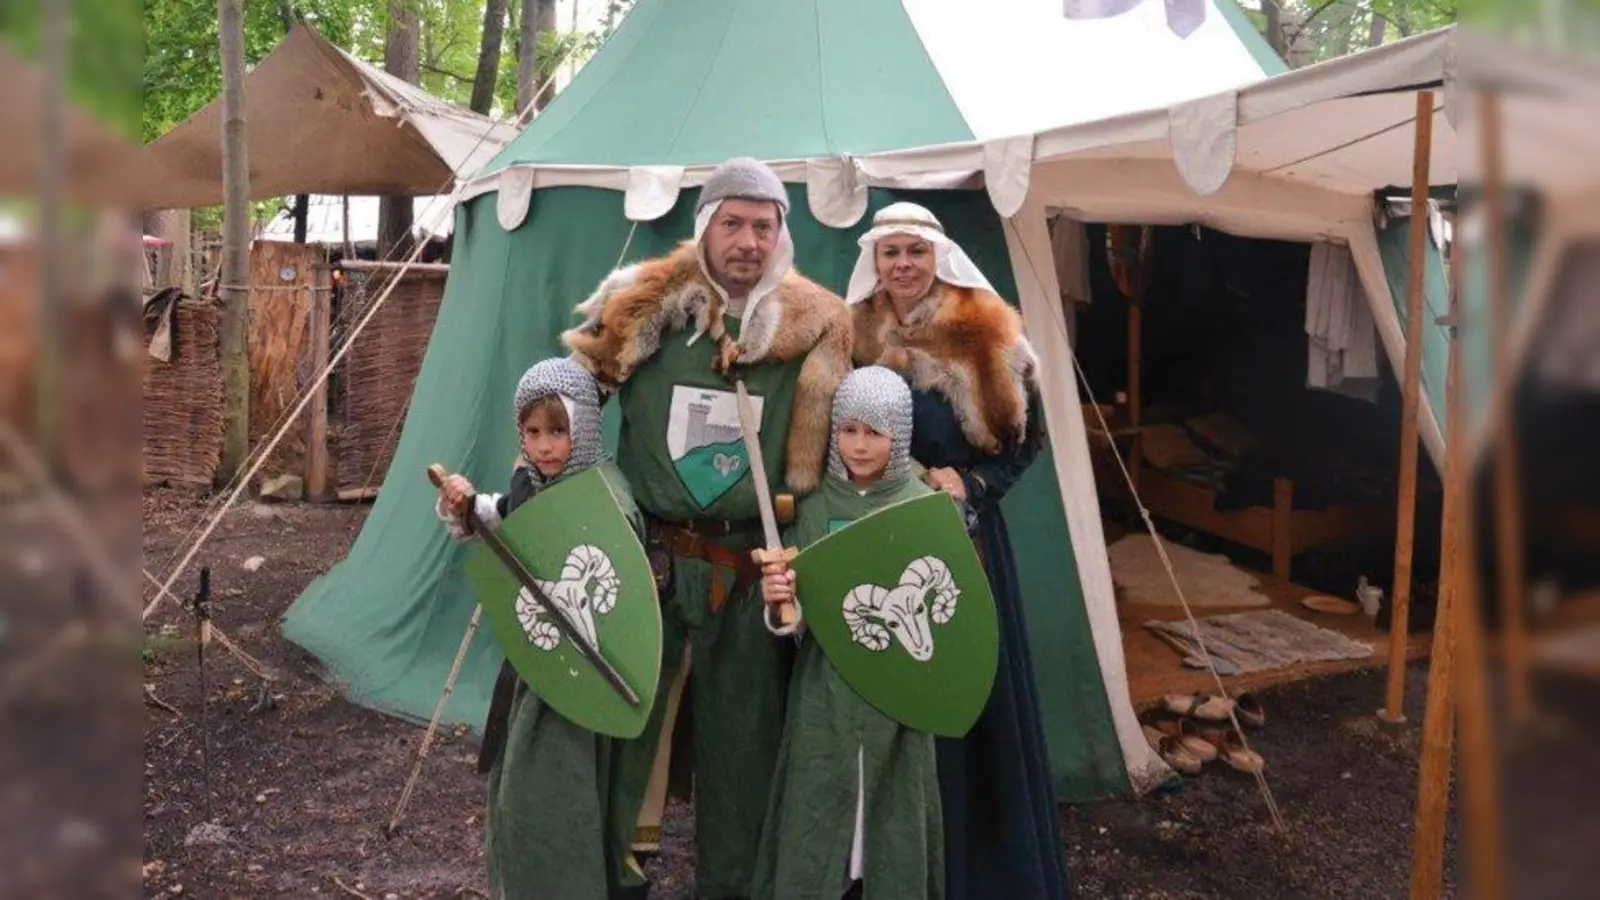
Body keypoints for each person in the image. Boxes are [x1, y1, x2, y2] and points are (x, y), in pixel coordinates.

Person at [563, 157, 854, 898]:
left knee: (745, 740)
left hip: (749, 565)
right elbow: (573, 397)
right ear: (704, 227)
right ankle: (609, 873)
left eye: (764, 225)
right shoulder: (644, 303)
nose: (748, 241)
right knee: (626, 720)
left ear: (782, 234)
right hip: (650, 557)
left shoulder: (818, 321)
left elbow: (845, 446)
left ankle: (732, 885)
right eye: (733, 222)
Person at [845, 202, 1069, 899]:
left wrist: (971, 482)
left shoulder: (986, 333)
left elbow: (1027, 442)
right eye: (890, 253)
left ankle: (974, 865)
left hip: (959, 542)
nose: (903, 265)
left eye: (915, 251)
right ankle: (886, 857)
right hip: (878, 540)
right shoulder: (854, 334)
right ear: (874, 263)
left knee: (966, 695)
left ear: (936, 257)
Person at [434, 357, 647, 900]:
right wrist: (464, 504)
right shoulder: (531, 483)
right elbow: (504, 518)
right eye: (533, 432)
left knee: (555, 796)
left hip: (586, 675)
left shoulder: (607, 498)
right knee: (523, 793)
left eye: (558, 430)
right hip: (538, 668)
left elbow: (623, 594)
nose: (546, 446)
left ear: (584, 429)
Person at [750, 365, 945, 900]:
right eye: (849, 431)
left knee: (891, 812)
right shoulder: (815, 509)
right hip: (825, 688)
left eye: (874, 434)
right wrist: (781, 603)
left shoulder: (920, 507)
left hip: (897, 693)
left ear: (897, 436)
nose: (859, 446)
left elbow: (945, 614)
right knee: (819, 804)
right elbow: (796, 621)